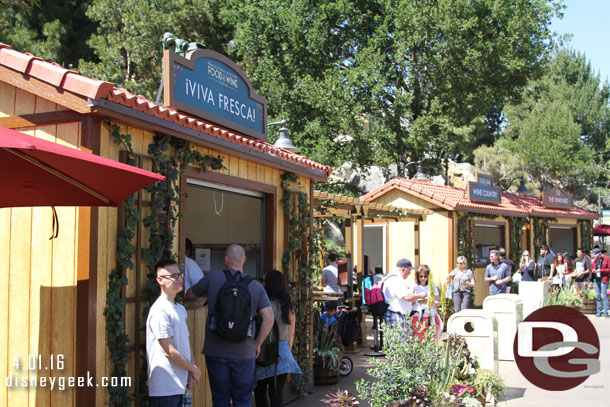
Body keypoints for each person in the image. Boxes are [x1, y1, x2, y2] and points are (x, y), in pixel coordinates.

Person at [186, 244, 274, 407]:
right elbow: (269, 318)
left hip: (215, 350)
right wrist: (258, 343)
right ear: (244, 260)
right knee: (242, 399)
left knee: (220, 399)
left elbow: (190, 294)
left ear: (226, 260)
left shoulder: (213, 278)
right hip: (244, 352)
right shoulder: (255, 286)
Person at [146, 259, 201, 407]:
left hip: (180, 385)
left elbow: (185, 341)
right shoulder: (159, 310)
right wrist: (193, 368)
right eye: (174, 276)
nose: (179, 279)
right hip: (165, 387)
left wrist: (191, 369)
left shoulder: (180, 309)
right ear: (160, 280)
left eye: (180, 275)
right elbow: (168, 350)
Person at [254, 269, 302, 407]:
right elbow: (291, 335)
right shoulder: (287, 306)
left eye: (263, 281)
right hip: (282, 353)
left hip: (262, 352)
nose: (261, 283)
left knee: (260, 392)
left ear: (269, 284)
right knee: (276, 395)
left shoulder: (261, 306)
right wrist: (287, 352)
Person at [382, 259, 427, 330]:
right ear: (403, 269)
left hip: (396, 314)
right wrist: (420, 295)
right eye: (409, 271)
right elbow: (407, 297)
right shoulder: (396, 279)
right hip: (396, 315)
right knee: (398, 340)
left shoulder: (392, 278)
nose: (409, 273)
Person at [410, 265, 442, 340]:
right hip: (418, 314)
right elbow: (410, 302)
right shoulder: (414, 286)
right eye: (421, 276)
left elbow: (438, 301)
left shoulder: (432, 285)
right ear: (417, 276)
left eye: (425, 276)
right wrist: (417, 297)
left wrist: (434, 302)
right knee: (418, 337)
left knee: (431, 337)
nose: (423, 278)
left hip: (430, 314)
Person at [591, 247, 610, 318]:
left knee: (604, 296)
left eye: (597, 255)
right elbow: (593, 266)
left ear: (600, 253)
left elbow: (609, 269)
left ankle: (606, 312)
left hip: (604, 279)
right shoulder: (596, 259)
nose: (596, 257)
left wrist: (600, 270)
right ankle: (599, 312)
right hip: (596, 279)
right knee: (598, 296)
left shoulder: (607, 259)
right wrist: (593, 270)